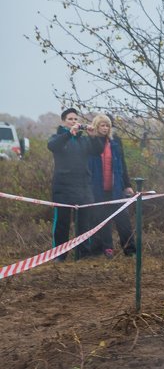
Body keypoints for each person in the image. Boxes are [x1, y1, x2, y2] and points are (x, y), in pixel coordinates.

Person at [47, 108, 101, 260]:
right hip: (63, 187)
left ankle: (83, 253)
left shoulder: (84, 140)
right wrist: (68, 133)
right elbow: (52, 146)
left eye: (76, 119)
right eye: (70, 119)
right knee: (62, 223)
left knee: (84, 222)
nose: (74, 122)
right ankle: (59, 255)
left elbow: (98, 151)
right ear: (64, 121)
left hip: (83, 186)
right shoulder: (58, 137)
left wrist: (93, 137)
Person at [86, 114, 136, 257]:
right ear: (96, 126)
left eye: (107, 125)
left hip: (115, 188)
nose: (105, 128)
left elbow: (122, 165)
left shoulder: (116, 142)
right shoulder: (90, 142)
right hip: (97, 188)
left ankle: (130, 249)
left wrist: (127, 185)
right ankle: (106, 249)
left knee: (123, 220)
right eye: (102, 125)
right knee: (101, 220)